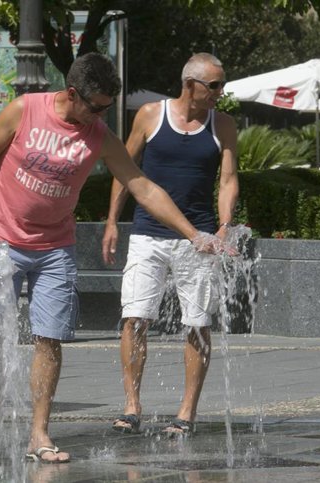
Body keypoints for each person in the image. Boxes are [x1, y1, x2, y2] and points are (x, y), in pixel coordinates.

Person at [0, 52, 224, 465]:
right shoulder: (25, 110)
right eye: (95, 107)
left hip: (56, 247)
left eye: (106, 108)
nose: (99, 116)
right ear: (71, 94)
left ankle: (39, 434)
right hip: (2, 240)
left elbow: (143, 187)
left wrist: (193, 233)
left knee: (49, 338)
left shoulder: (100, 135)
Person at [101, 52, 239, 436]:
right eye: (214, 86)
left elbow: (228, 179)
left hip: (200, 239)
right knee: (135, 318)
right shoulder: (149, 115)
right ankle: (131, 406)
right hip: (147, 234)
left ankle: (186, 412)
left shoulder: (222, 124)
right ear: (190, 84)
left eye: (221, 85)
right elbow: (124, 170)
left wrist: (225, 225)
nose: (219, 93)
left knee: (197, 324)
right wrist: (112, 221)